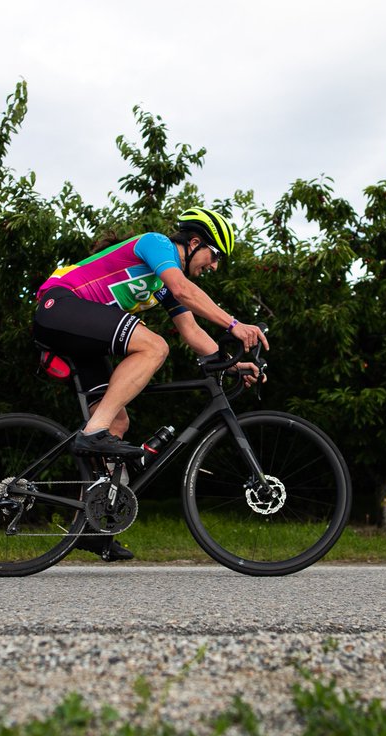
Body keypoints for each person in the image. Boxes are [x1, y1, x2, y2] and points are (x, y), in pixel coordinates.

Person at [32, 207, 269, 561]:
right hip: (61, 305)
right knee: (155, 346)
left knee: (118, 422)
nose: (215, 266)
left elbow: (192, 331)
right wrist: (234, 324)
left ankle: (94, 527)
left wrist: (233, 365)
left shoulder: (165, 286)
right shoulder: (156, 244)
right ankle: (93, 431)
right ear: (193, 242)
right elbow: (182, 288)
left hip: (81, 329)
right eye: (214, 255)